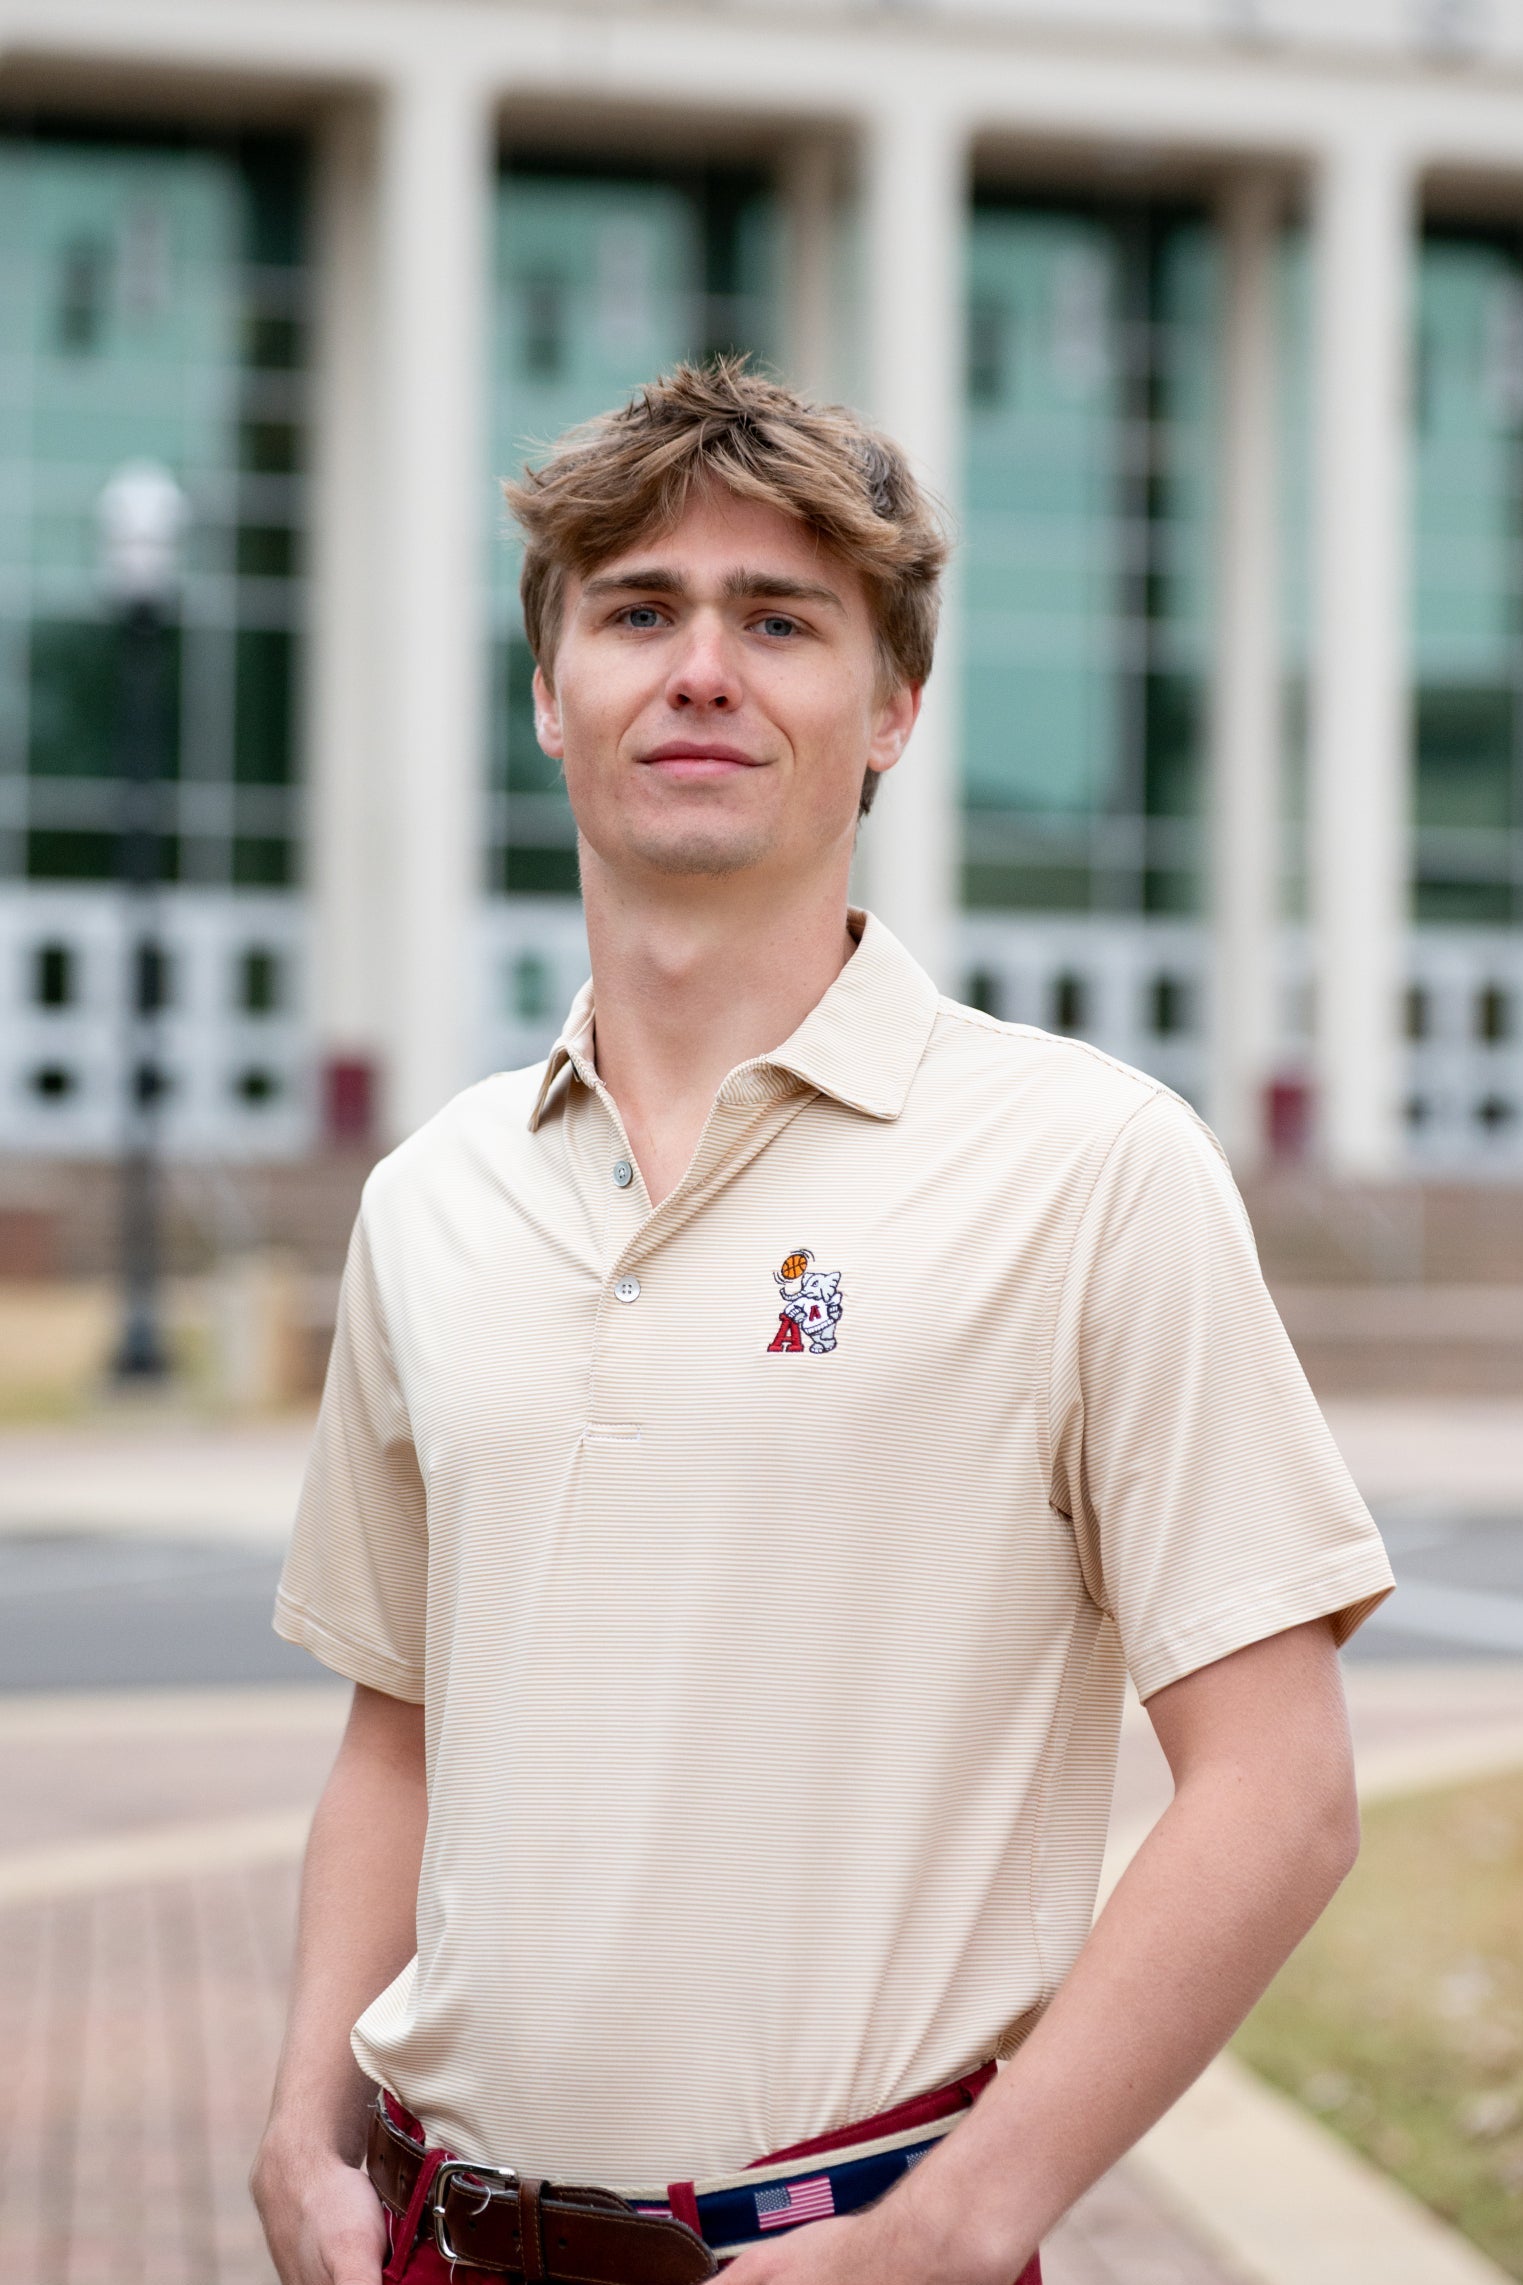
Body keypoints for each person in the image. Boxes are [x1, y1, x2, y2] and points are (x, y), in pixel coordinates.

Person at [252, 359, 1394, 2285]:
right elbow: (399, 1732)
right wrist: (302, 2125)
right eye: (639, 612)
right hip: (440, 2244)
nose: (702, 670)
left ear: (893, 707)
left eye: (779, 621)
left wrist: (957, 2221)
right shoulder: (429, 1199)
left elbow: (1281, 1791)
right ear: (549, 692)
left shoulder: (1091, 1166)